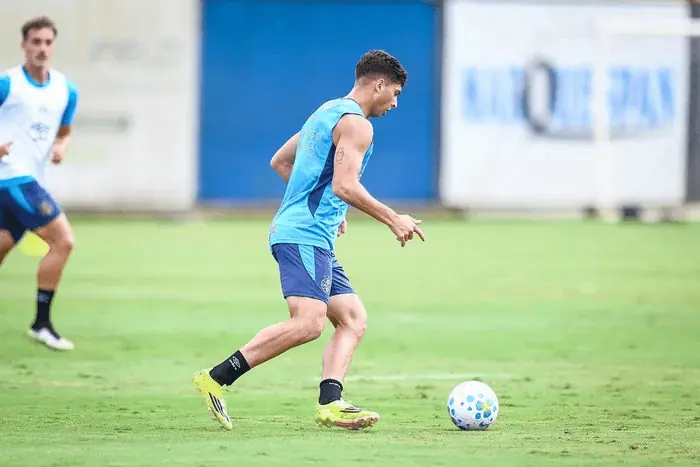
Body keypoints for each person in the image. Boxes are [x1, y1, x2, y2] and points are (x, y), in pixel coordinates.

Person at [193, 50, 424, 431]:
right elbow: (345, 184)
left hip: (309, 234)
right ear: (379, 84)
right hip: (304, 235)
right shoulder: (358, 125)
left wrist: (332, 209)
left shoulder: (326, 112)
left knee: (352, 319)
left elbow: (281, 161)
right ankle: (216, 378)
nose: (395, 103)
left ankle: (331, 403)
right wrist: (392, 218)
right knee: (309, 323)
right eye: (395, 93)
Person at [0, 16, 79, 351]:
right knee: (64, 241)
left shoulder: (66, 90)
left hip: (27, 178)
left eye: (47, 42)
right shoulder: (8, 84)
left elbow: (65, 131)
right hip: (12, 177)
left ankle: (41, 325)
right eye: (36, 42)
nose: (42, 48)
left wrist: (61, 146)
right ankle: (41, 324)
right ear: (24, 45)